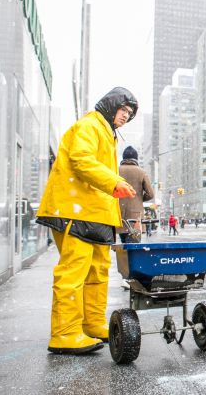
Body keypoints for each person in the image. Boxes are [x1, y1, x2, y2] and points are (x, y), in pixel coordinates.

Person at [36, 87, 138, 354]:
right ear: (111, 105)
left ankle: (91, 324)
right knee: (74, 272)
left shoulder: (106, 132)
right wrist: (114, 181)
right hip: (75, 211)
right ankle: (65, 333)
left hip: (94, 214)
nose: (126, 116)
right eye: (123, 109)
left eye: (129, 113)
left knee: (97, 271)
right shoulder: (89, 126)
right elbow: (81, 160)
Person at [117, 146, 154, 243]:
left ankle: (124, 257)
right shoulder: (141, 172)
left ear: (123, 158)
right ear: (136, 158)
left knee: (123, 245)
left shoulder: (116, 171)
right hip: (135, 216)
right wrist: (139, 198)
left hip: (118, 213)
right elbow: (150, 194)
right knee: (134, 245)